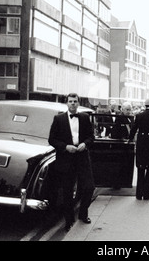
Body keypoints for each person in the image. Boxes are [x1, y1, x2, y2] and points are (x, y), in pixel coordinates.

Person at [48, 93, 95, 231]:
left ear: (78, 103)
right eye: (70, 101)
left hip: (82, 157)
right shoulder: (58, 119)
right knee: (67, 192)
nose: (73, 104)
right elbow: (52, 140)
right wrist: (65, 147)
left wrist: (85, 144)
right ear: (67, 103)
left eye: (75, 101)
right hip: (66, 158)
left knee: (89, 187)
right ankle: (68, 221)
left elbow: (91, 137)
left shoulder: (85, 118)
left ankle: (83, 213)